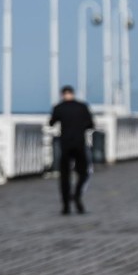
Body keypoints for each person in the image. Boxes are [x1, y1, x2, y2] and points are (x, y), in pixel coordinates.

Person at [49, 85, 94, 215]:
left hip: (65, 145)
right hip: (79, 144)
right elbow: (91, 124)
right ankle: (77, 195)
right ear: (73, 93)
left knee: (64, 176)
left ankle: (66, 205)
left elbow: (51, 123)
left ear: (62, 94)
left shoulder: (59, 107)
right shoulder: (82, 107)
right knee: (83, 172)